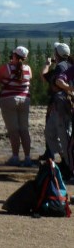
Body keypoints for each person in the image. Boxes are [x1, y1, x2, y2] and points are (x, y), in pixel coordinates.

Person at [0, 46, 33, 167]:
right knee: (24, 129)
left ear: (14, 55)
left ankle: (15, 157)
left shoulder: (5, 68)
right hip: (25, 99)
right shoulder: (28, 69)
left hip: (8, 99)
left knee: (13, 131)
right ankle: (27, 158)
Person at [42, 43, 73, 181]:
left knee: (63, 134)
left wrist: (47, 64)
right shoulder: (67, 65)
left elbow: (49, 80)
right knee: (55, 133)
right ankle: (66, 162)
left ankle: (68, 165)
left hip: (60, 104)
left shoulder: (61, 67)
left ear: (57, 54)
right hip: (63, 103)